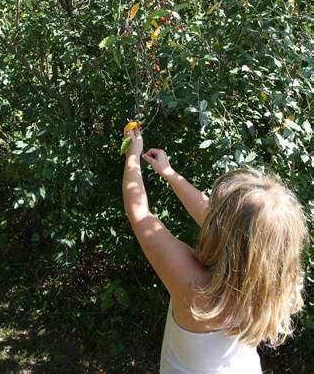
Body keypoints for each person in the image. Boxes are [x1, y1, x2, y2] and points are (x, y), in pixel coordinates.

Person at [122, 126, 309, 374]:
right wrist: (168, 173)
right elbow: (212, 216)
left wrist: (132, 156)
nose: (211, 210)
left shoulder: (196, 289)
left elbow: (140, 215)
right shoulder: (272, 281)